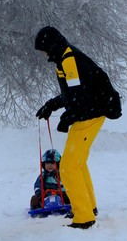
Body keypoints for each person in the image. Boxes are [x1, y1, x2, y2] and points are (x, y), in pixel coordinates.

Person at [34, 26, 121, 229]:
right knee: (78, 163)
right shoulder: (64, 57)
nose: (44, 54)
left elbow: (80, 95)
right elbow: (72, 93)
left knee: (68, 167)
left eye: (44, 49)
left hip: (92, 114)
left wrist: (68, 117)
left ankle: (84, 218)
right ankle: (89, 208)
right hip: (91, 112)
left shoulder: (69, 60)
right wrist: (52, 105)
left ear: (52, 46)